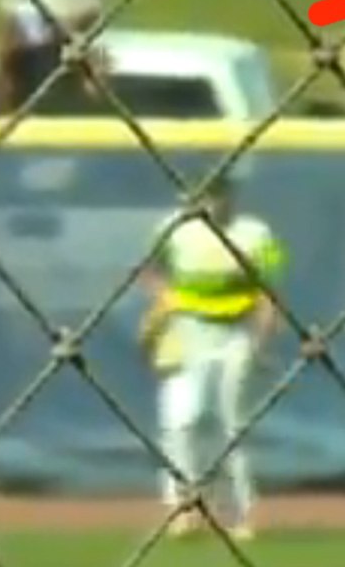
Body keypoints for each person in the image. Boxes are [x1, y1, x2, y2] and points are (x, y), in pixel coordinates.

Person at [139, 175, 284, 541]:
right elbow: (149, 271)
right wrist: (165, 302)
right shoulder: (174, 228)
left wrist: (261, 342)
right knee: (180, 422)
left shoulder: (253, 234)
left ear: (229, 198)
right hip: (185, 332)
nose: (210, 204)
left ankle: (240, 514)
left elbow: (267, 292)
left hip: (233, 334)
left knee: (230, 425)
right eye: (201, 196)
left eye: (216, 196)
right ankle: (183, 509)